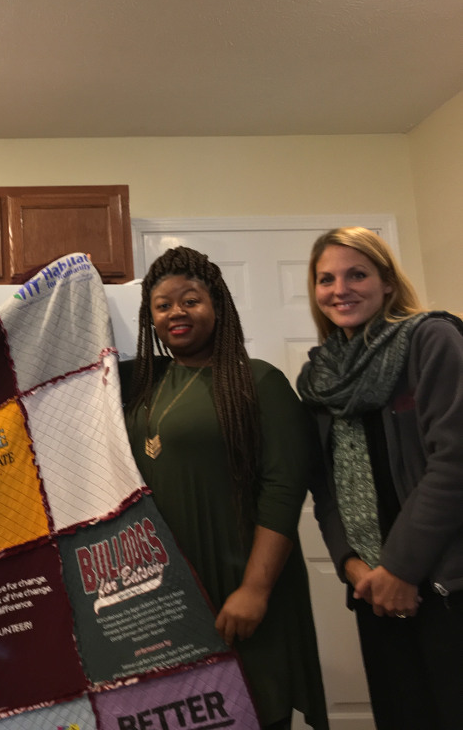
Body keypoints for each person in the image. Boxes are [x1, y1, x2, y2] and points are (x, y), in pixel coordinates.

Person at [121, 246, 328, 730]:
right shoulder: (145, 383)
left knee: (252, 710)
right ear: (150, 318)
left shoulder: (259, 382)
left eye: (190, 300)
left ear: (218, 306)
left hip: (238, 584)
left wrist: (255, 589)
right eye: (163, 305)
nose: (176, 312)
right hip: (168, 594)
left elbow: (283, 489)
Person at [296, 227, 463, 728]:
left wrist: (400, 570)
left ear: (387, 283)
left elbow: (454, 463)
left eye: (357, 274)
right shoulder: (321, 376)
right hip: (372, 588)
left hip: (442, 583)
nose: (339, 289)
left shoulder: (431, 339)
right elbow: (323, 484)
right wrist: (350, 562)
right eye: (326, 278)